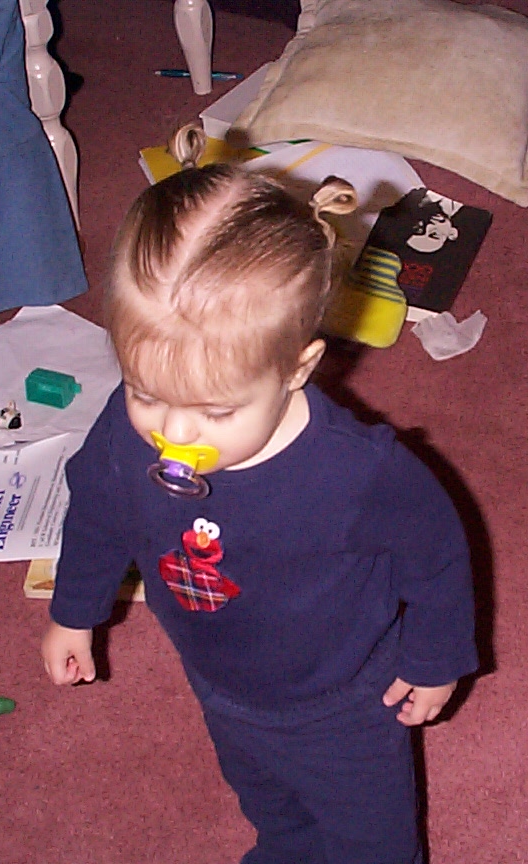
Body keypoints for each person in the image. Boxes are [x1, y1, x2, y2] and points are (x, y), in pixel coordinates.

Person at [40, 124, 478, 864]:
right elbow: (95, 512)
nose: (173, 432)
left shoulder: (359, 472)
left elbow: (436, 557)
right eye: (147, 392)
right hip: (217, 675)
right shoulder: (125, 431)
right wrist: (74, 611)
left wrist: (435, 657)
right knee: (265, 796)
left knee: (370, 838)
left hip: (341, 697)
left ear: (298, 368)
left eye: (215, 411)